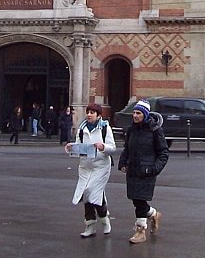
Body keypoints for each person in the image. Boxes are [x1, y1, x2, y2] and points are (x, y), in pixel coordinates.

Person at [118, 99, 169, 244]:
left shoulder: (155, 130)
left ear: (145, 115)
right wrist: (122, 162)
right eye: (134, 112)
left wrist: (155, 168)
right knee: (135, 199)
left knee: (140, 200)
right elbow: (127, 148)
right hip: (133, 170)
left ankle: (140, 231)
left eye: (138, 113)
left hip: (147, 171)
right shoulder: (131, 129)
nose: (135, 115)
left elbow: (163, 152)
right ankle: (154, 214)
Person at [65, 103, 116, 237]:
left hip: (101, 166)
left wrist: (102, 146)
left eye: (92, 112)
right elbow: (79, 146)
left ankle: (104, 219)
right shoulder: (82, 129)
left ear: (98, 115)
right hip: (85, 167)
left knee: (93, 194)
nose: (89, 114)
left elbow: (112, 148)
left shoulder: (105, 128)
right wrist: (72, 147)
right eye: (88, 112)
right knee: (86, 195)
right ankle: (90, 225)